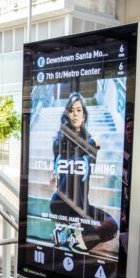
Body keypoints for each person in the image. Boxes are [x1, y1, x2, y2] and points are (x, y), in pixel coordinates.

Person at [49, 92, 118, 253]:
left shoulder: (89, 141)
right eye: (71, 110)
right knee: (76, 164)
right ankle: (73, 238)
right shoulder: (60, 140)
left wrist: (90, 145)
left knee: (111, 225)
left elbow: (86, 172)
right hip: (63, 202)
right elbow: (66, 169)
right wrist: (91, 144)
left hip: (80, 204)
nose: (75, 114)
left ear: (84, 116)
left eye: (79, 110)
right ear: (67, 113)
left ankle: (69, 237)